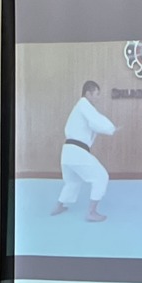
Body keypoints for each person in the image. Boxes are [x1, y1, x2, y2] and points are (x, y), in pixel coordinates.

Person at [51, 81, 117, 222]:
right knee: (101, 176)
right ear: (88, 93)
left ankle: (59, 206)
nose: (98, 97)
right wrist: (111, 128)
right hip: (77, 152)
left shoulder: (80, 110)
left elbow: (95, 126)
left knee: (72, 181)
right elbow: (97, 120)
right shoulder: (84, 104)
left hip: (67, 153)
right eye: (97, 94)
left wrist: (109, 129)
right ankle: (91, 212)